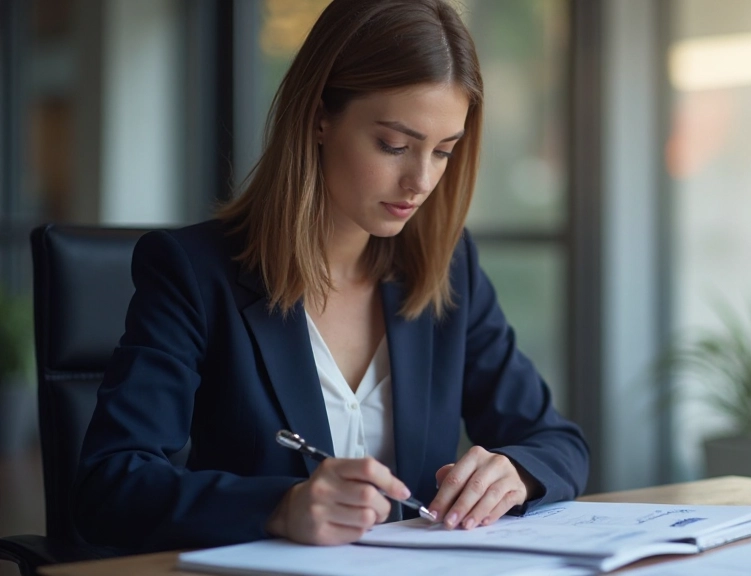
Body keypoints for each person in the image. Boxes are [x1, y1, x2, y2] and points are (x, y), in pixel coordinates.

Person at [73, 0, 588, 552]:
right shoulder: (194, 272)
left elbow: (555, 441)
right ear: (320, 117)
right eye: (394, 145)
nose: (420, 180)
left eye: (443, 152)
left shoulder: (446, 267)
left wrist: (516, 471)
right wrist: (280, 507)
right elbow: (111, 485)